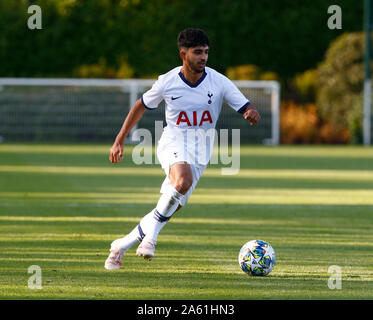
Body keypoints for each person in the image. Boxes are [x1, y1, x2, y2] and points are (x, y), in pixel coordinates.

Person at [104, 28, 260, 270]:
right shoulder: (168, 81)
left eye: (206, 52)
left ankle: (120, 246)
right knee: (182, 180)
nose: (203, 57)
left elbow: (246, 105)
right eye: (198, 52)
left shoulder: (218, 81)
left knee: (168, 205)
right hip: (173, 143)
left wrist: (251, 112)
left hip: (201, 153)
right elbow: (140, 105)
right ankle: (151, 240)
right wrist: (120, 139)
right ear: (183, 54)